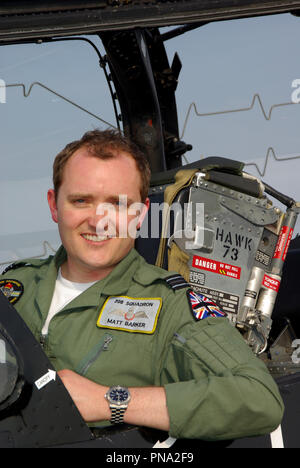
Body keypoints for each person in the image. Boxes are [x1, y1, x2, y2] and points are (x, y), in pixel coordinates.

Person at [0, 129, 284, 441]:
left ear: (140, 215)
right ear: (55, 206)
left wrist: (110, 401)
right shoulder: (14, 287)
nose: (99, 221)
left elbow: (259, 398)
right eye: (81, 201)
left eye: (118, 205)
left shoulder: (170, 305)